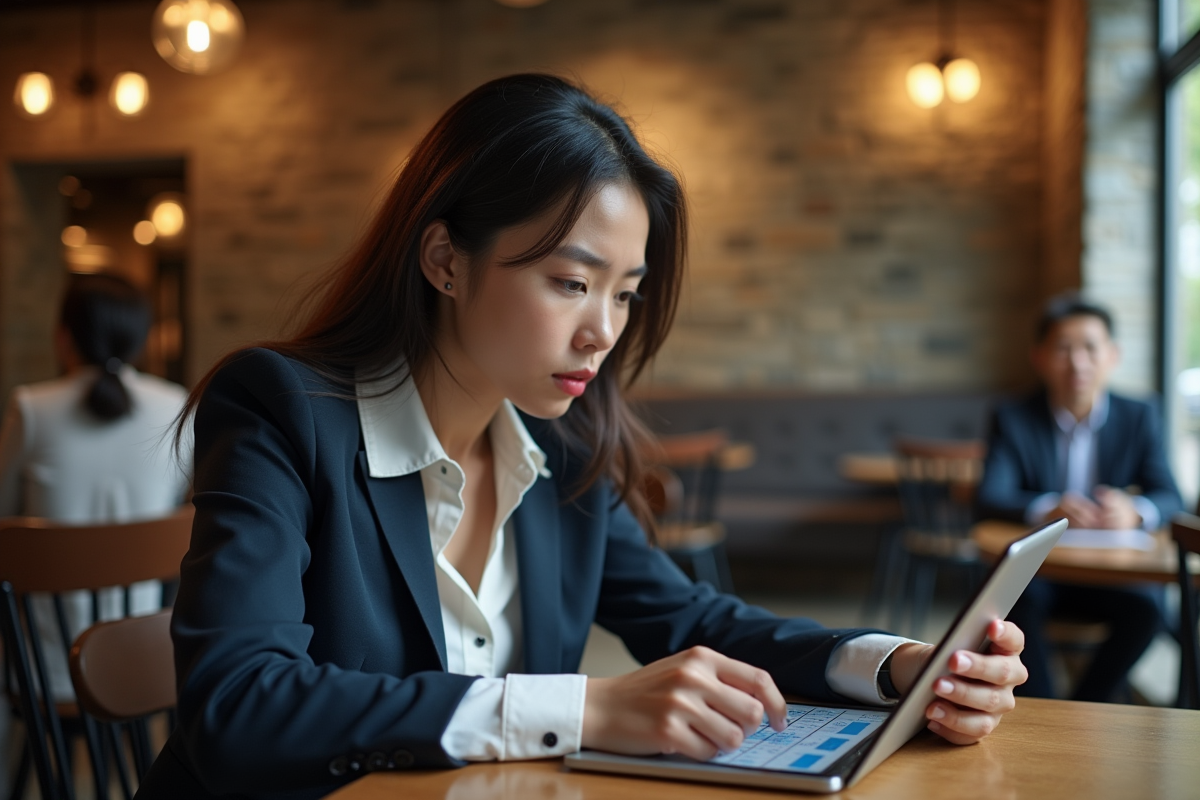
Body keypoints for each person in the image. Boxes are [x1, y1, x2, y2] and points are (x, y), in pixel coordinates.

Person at [139, 74, 1029, 800]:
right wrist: (586, 708)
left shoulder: (559, 447)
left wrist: (896, 665)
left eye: (625, 292)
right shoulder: (281, 410)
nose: (604, 330)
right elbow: (238, 706)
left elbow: (690, 619)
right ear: (445, 259)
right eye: (572, 282)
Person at [977, 293, 1183, 702]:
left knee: (1150, 610)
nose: (1078, 362)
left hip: (1114, 573)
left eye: (1090, 347)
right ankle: (1042, 706)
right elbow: (990, 496)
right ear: (1039, 356)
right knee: (1013, 601)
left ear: (1113, 355)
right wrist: (1046, 506)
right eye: (1062, 348)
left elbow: (1171, 496)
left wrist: (1135, 512)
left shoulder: (1140, 414)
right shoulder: (1013, 415)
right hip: (1044, 572)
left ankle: (1086, 704)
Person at [0, 273, 192, 700]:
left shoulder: (32, 408)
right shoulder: (175, 405)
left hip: (45, 671)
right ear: (141, 340)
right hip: (148, 665)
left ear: (63, 337)